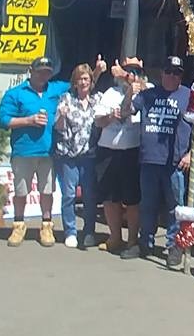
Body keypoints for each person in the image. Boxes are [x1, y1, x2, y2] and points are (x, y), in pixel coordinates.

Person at [132, 55, 194, 268]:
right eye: (168, 71)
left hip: (175, 162)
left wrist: (191, 154)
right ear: (162, 73)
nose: (171, 76)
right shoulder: (148, 94)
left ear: (181, 76)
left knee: (174, 207)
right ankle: (144, 244)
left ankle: (173, 247)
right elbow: (127, 110)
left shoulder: (189, 95)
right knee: (147, 205)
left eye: (176, 72)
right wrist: (129, 88)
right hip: (149, 159)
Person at [0, 57, 68, 247]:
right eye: (40, 71)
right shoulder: (16, 93)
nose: (44, 74)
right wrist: (29, 121)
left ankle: (46, 226)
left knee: (47, 191)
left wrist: (98, 72)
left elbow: (80, 85)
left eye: (47, 71)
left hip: (49, 151)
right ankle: (19, 225)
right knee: (21, 191)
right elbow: (2, 120)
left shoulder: (55, 89)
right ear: (31, 71)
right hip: (23, 151)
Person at [93, 56, 147, 259]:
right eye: (128, 71)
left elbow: (141, 83)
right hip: (108, 151)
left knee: (132, 199)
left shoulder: (145, 90)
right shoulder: (110, 93)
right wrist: (110, 118)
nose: (131, 76)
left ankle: (132, 239)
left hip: (132, 152)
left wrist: (126, 76)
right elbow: (98, 122)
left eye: (136, 72)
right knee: (109, 198)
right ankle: (115, 237)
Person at [53, 57, 108, 248]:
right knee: (68, 194)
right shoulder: (66, 99)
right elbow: (59, 128)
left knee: (90, 195)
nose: (83, 82)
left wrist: (99, 70)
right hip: (68, 155)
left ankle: (89, 231)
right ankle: (70, 231)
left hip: (89, 155)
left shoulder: (97, 100)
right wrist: (61, 114)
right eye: (80, 79)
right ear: (75, 82)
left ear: (91, 82)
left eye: (86, 79)